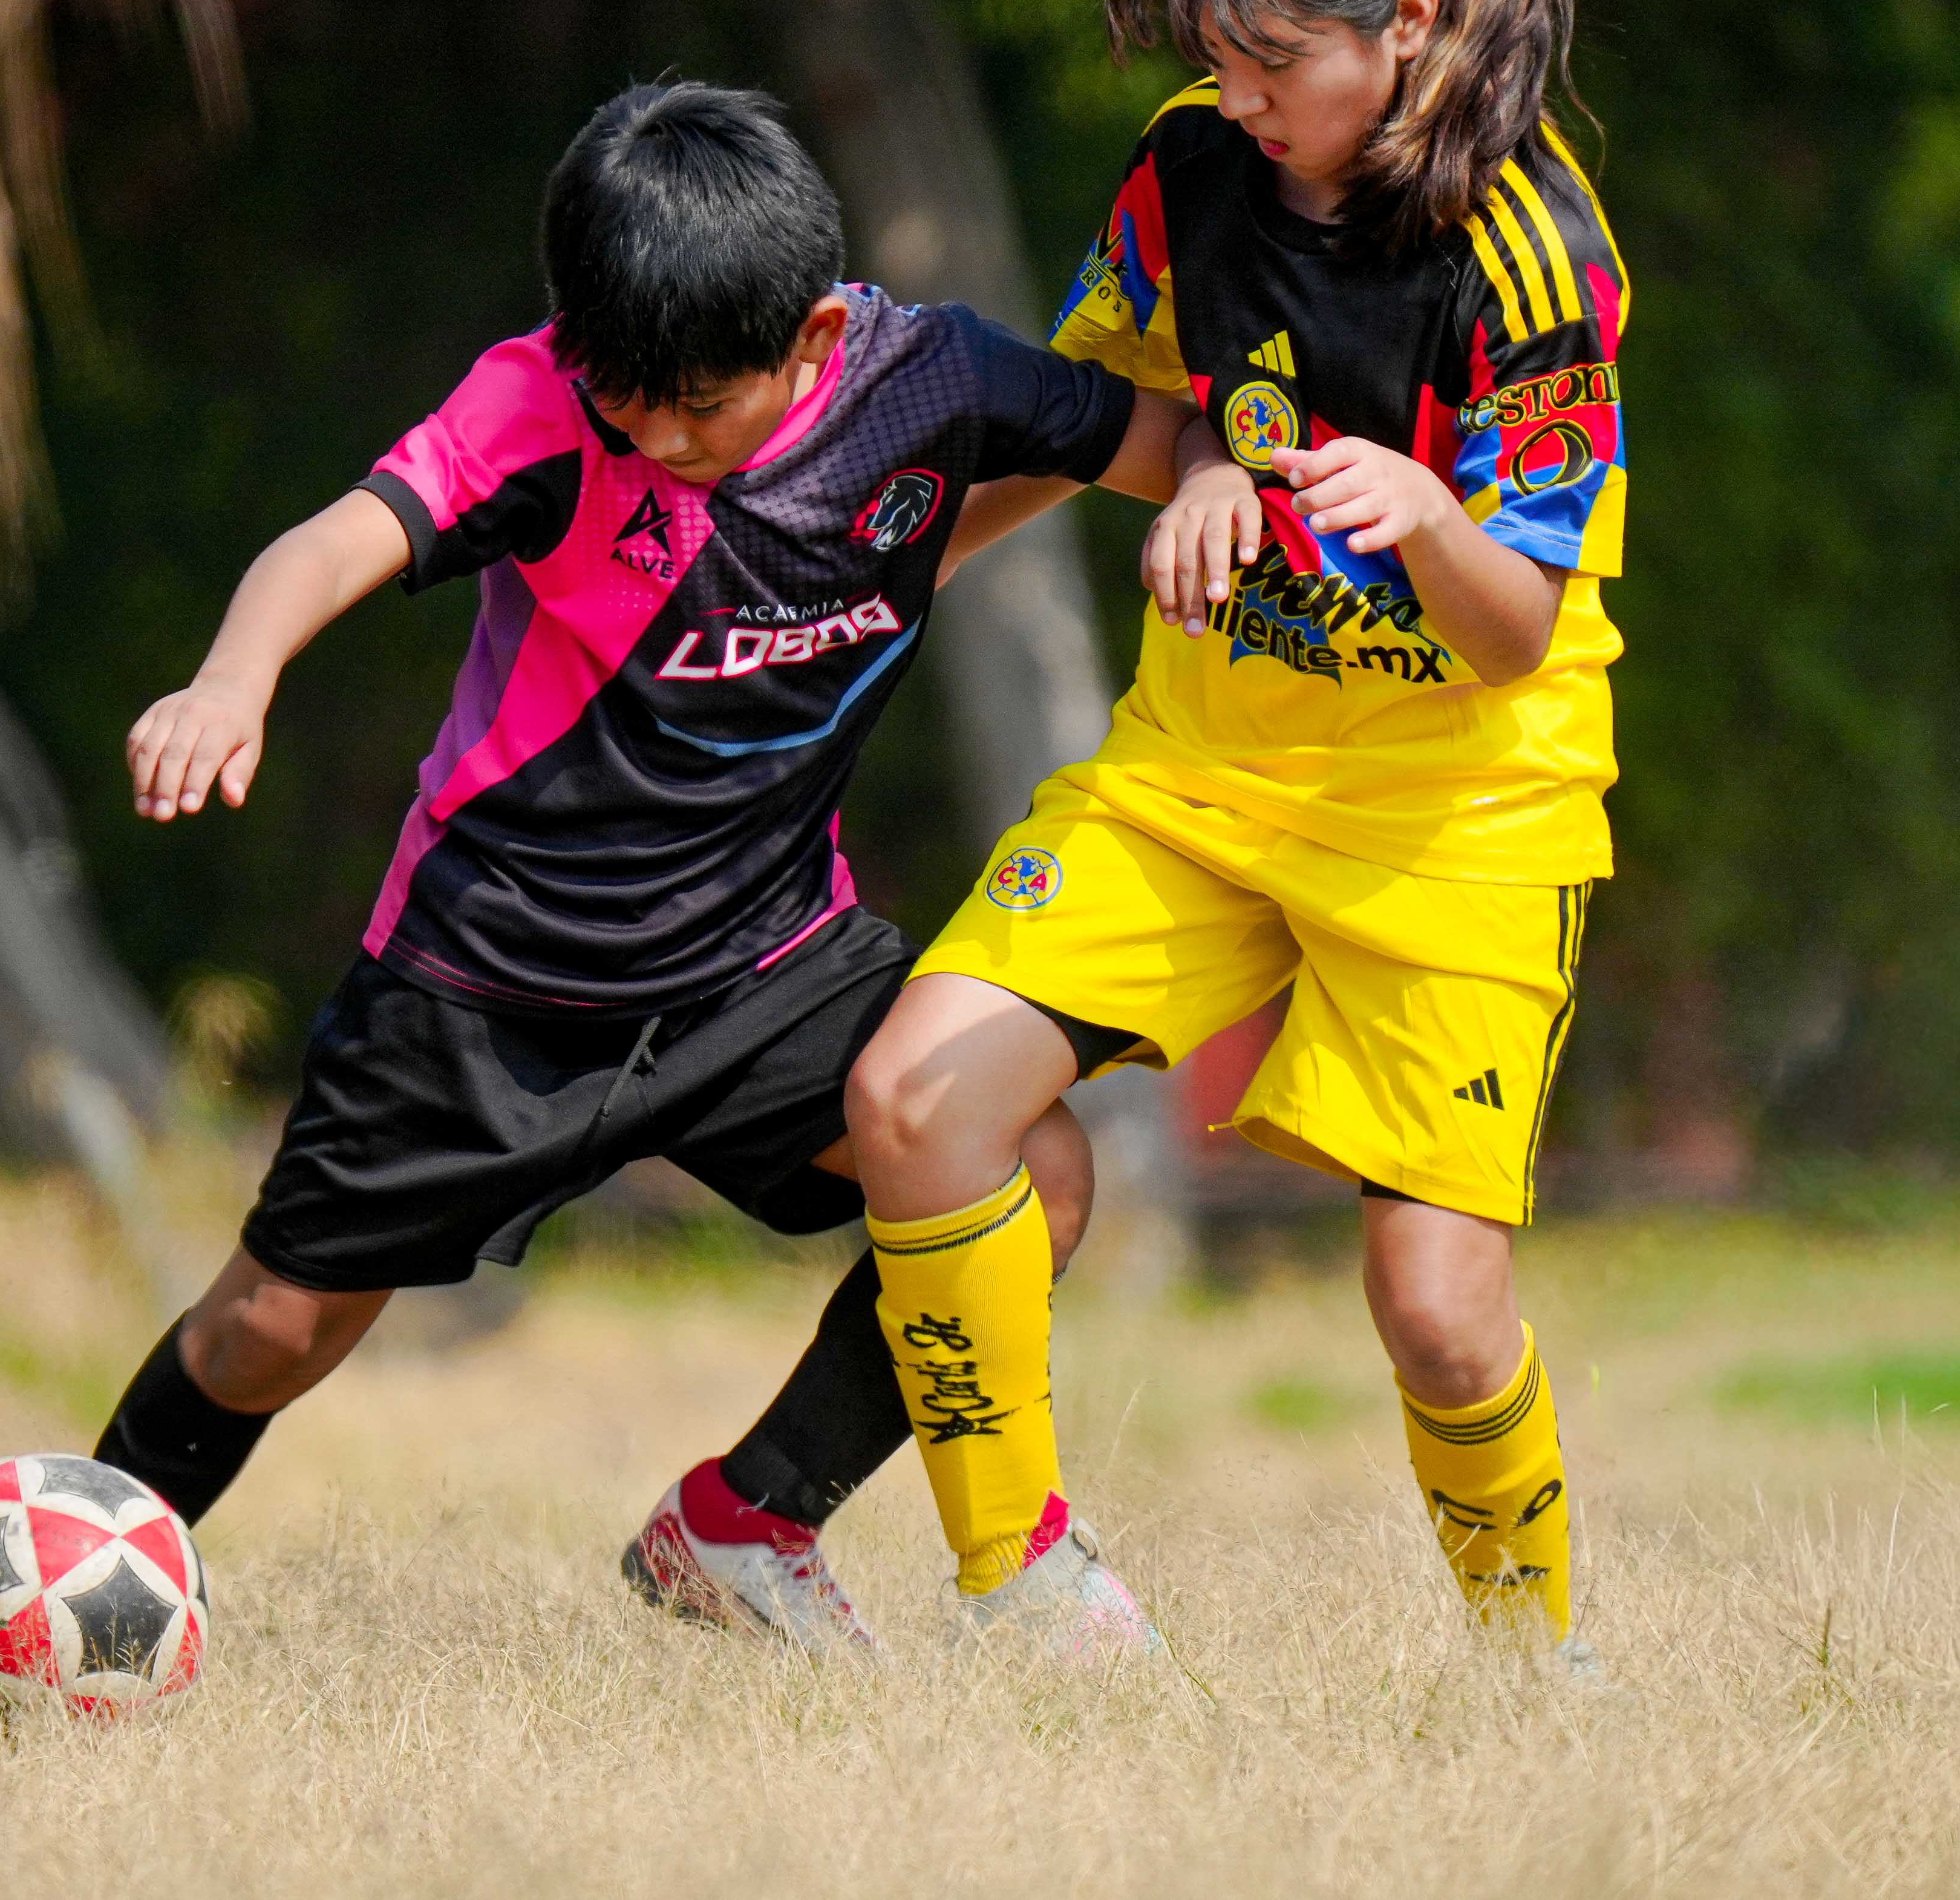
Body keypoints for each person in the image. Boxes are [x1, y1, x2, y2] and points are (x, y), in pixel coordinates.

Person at [88, 81, 1195, 1651]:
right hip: (484, 982)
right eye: (628, 399)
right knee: (275, 1323)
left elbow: (1154, 437)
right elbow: (335, 540)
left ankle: (748, 1524)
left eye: (699, 405)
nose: (658, 440)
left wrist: (1223, 474)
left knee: (1032, 1173)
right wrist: (229, 679)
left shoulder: (926, 379)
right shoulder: (540, 406)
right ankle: (67, 1571)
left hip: (766, 964)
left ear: (816, 335)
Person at [844, 0, 1630, 1660]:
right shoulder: (1186, 174)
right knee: (909, 1102)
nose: (1240, 96)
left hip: (1461, 807)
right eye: (1215, 53)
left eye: (1275, 58)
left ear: (1410, 26)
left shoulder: (1538, 260)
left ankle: (1542, 1667)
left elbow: (1517, 632)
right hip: (1204, 772)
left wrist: (1431, 517)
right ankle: (1021, 1593)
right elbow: (1106, 412)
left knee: (1437, 1312)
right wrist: (887, 577)